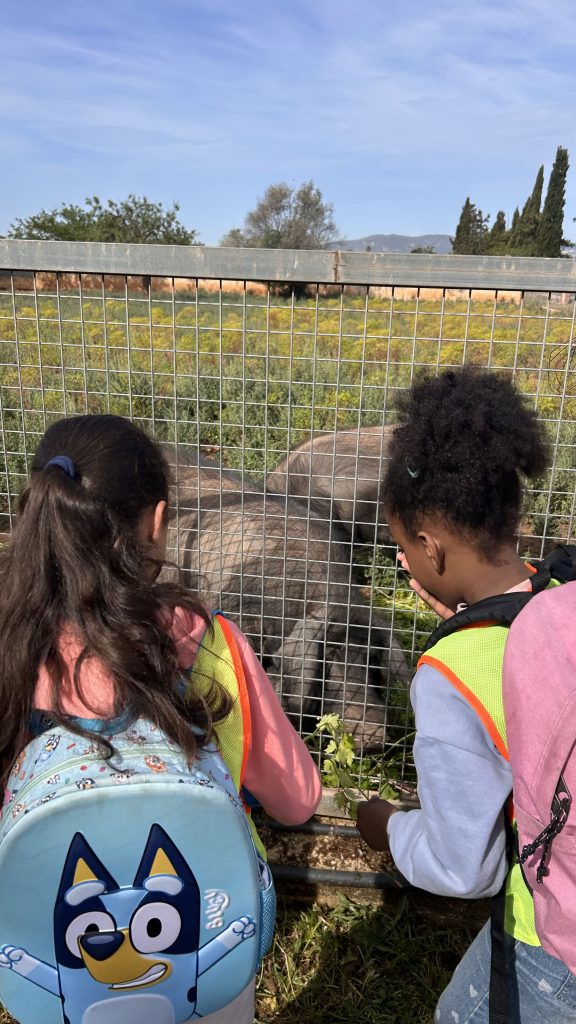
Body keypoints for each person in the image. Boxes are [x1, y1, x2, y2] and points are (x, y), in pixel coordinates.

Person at [0, 413, 321, 1024]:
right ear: (156, 521)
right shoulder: (205, 641)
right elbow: (297, 800)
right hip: (202, 943)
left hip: (58, 957)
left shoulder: (10, 646)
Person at [357, 367, 576, 1022]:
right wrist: (465, 614)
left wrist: (389, 829)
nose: (404, 562)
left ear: (431, 546)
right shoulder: (560, 593)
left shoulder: (449, 675)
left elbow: (465, 868)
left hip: (550, 940)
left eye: (404, 548)